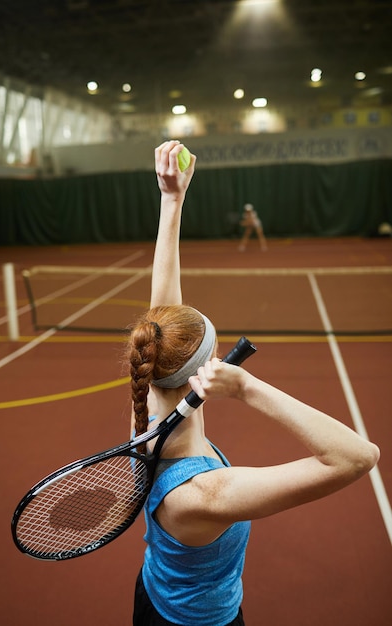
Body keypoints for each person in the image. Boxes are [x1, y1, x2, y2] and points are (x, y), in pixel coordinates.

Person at [126, 140, 380, 626]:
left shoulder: (148, 401)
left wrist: (172, 200)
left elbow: (162, 314)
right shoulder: (207, 493)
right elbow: (358, 457)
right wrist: (247, 388)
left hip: (154, 595)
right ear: (204, 368)